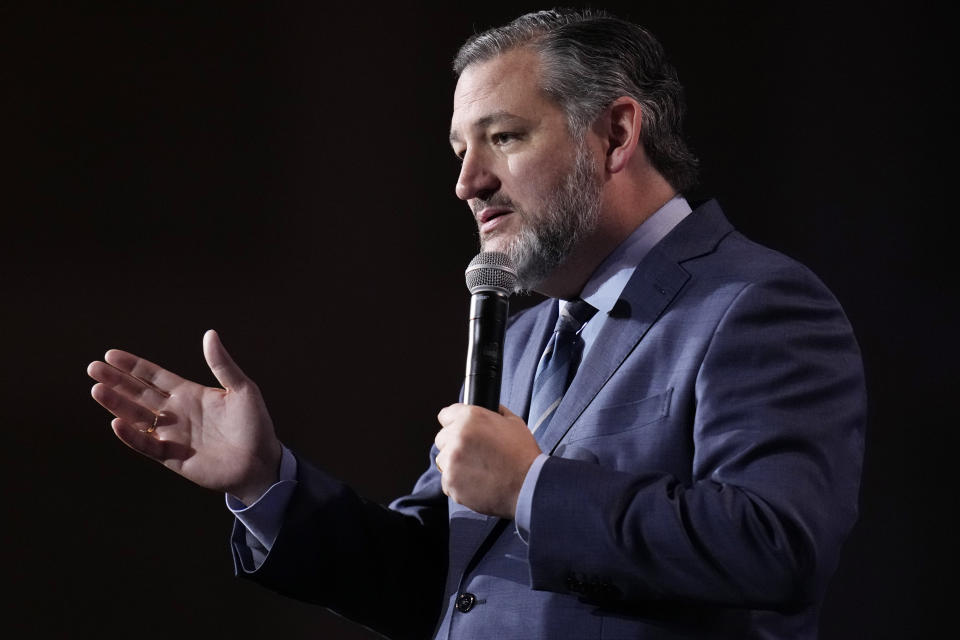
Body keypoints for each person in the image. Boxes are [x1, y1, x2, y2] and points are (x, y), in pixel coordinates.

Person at [87, 8, 866, 639]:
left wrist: (532, 488)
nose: (467, 182)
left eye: (504, 136)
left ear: (617, 134)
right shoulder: (521, 339)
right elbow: (437, 576)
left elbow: (777, 546)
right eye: (460, 149)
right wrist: (267, 481)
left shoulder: (755, 305)